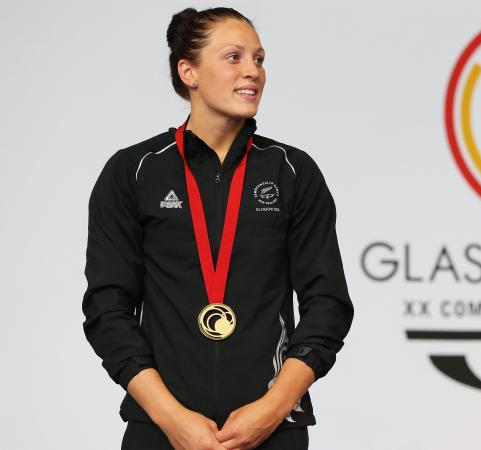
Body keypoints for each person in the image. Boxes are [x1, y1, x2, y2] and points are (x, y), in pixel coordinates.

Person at [81, 7, 354, 450]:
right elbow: (107, 310)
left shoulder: (293, 172)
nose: (253, 71)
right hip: (161, 432)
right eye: (234, 57)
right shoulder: (134, 171)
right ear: (187, 71)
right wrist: (171, 419)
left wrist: (272, 409)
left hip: (272, 432)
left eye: (260, 59)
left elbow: (328, 306)